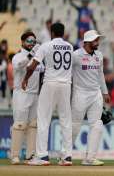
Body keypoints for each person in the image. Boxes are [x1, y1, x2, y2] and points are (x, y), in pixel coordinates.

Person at [22, 23, 73, 166]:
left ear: (51, 32)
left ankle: (42, 156)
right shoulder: (70, 46)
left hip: (50, 83)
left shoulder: (46, 45)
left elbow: (33, 65)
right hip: (66, 85)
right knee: (66, 120)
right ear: (63, 33)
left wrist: (25, 78)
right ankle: (67, 156)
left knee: (44, 119)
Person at [71, 30, 110, 166]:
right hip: (80, 93)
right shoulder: (75, 55)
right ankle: (65, 155)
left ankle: (90, 158)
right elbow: (68, 73)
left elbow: (101, 75)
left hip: (96, 94)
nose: (97, 42)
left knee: (97, 125)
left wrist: (105, 92)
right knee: (75, 125)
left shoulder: (99, 55)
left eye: (98, 40)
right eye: (95, 40)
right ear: (86, 42)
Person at [10, 32, 44, 165]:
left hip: (35, 95)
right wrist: (31, 54)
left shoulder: (38, 58)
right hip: (21, 94)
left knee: (33, 125)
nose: (32, 43)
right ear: (22, 42)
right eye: (29, 41)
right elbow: (18, 66)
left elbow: (42, 73)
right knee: (19, 124)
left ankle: (30, 155)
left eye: (34, 41)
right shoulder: (18, 56)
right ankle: (14, 155)